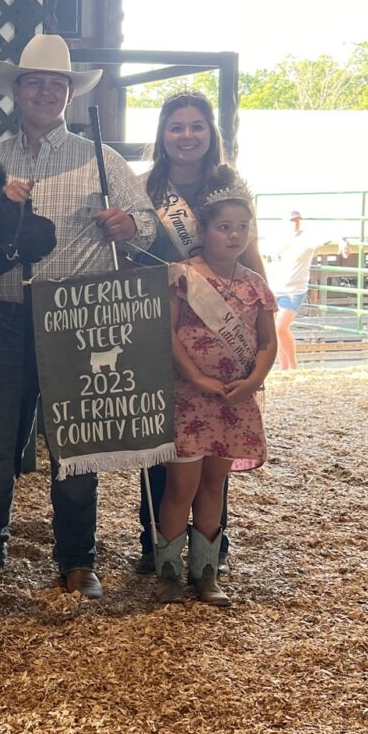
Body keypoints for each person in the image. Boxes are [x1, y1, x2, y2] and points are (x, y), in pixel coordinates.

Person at [0, 34, 157, 597]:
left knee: (76, 444)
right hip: (4, 313)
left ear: (68, 94)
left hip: (78, 319)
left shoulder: (102, 159)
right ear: (16, 92)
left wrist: (127, 224)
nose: (45, 92)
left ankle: (77, 560)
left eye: (56, 84)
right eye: (35, 82)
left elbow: (143, 219)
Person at [135, 92, 265, 573]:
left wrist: (257, 314)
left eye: (196, 126)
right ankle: (158, 545)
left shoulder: (228, 183)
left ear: (212, 134)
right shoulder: (146, 188)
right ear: (162, 136)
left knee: (216, 445)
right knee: (163, 440)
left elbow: (249, 251)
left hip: (219, 331)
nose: (186, 136)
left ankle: (212, 552)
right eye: (176, 126)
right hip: (164, 325)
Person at [153, 178, 277, 609]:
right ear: (204, 231)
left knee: (214, 485)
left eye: (243, 227)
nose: (235, 235)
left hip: (234, 401)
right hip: (190, 398)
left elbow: (267, 341)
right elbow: (167, 335)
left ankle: (204, 572)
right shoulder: (184, 278)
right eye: (225, 227)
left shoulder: (256, 284)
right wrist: (197, 378)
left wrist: (254, 381)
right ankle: (166, 572)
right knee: (180, 486)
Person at [266, 209, 347, 371]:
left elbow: (330, 235)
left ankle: (294, 365)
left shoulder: (307, 238)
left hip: (294, 290)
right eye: (292, 220)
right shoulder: (276, 240)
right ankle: (284, 368)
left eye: (297, 220)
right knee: (276, 331)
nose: (295, 223)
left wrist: (342, 241)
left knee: (281, 327)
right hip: (276, 288)